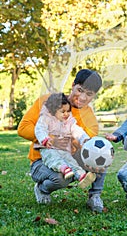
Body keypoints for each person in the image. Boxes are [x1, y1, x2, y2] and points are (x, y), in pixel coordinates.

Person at [18, 69, 105, 213]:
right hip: (42, 160)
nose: (82, 97)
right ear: (73, 85)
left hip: (69, 158)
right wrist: (52, 140)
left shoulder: (90, 119)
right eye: (80, 90)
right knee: (62, 178)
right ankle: (42, 188)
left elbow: (84, 143)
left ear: (94, 96)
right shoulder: (47, 101)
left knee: (102, 155)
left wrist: (83, 150)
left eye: (88, 94)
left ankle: (94, 195)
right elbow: (23, 128)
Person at [35, 92, 96, 188]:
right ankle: (63, 168)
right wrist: (45, 139)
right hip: (49, 149)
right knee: (53, 158)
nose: (66, 114)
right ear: (53, 111)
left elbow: (77, 130)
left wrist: (84, 139)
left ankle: (81, 175)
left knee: (71, 161)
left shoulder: (69, 121)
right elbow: (39, 129)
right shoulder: (46, 119)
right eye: (63, 111)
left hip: (64, 150)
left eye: (68, 111)